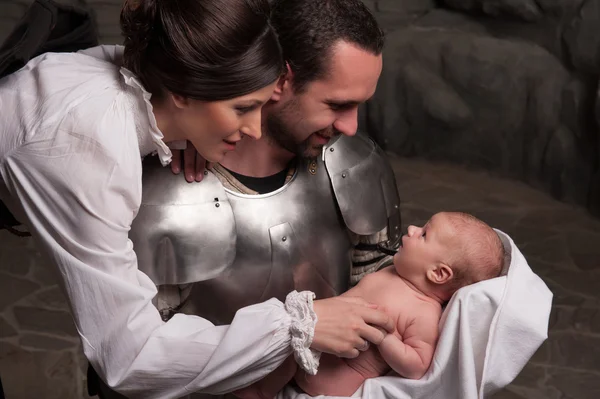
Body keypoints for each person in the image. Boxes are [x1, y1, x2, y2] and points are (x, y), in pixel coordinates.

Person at [0, 0, 394, 398]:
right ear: (182, 92)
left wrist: (190, 128)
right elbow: (127, 357)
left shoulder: (166, 79)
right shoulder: (89, 151)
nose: (255, 130)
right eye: (243, 107)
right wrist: (297, 324)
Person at [234, 212, 505, 399]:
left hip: (339, 381)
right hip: (313, 348)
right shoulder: (390, 273)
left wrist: (385, 337)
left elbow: (418, 365)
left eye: (423, 234)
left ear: (438, 273)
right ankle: (259, 393)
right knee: (282, 356)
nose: (412, 229)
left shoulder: (423, 312)